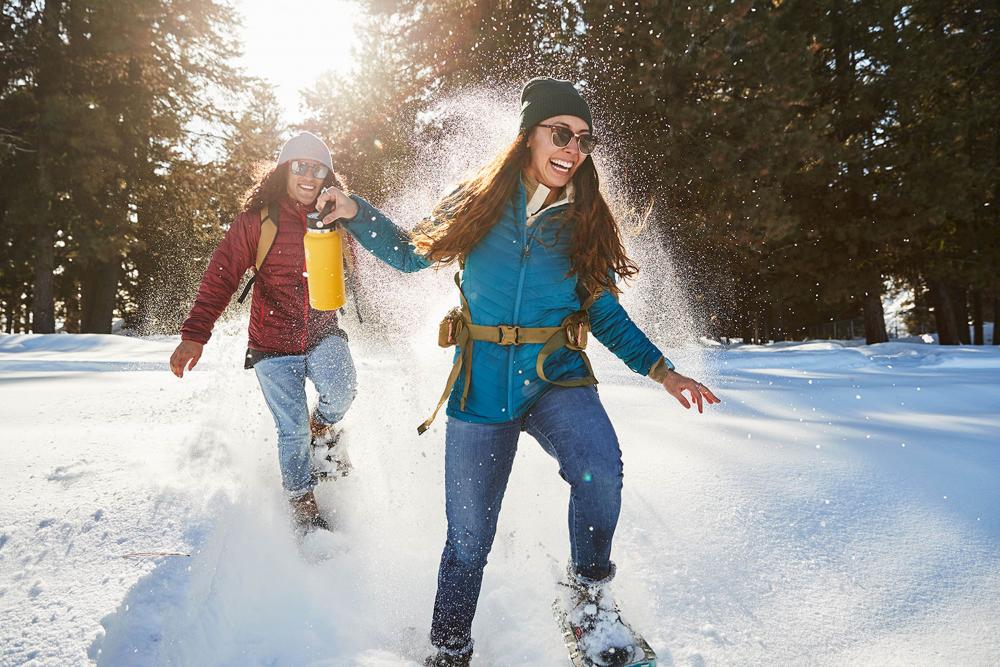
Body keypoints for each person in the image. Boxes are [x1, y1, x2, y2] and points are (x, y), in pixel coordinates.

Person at [316, 78, 720, 666]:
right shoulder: (479, 201)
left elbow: (604, 313)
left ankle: (588, 597)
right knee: (469, 540)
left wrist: (664, 372)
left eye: (584, 139)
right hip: (480, 387)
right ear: (529, 136)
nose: (573, 148)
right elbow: (409, 252)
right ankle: (450, 649)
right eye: (561, 133)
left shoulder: (584, 219)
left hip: (556, 375)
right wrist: (353, 211)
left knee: (599, 468)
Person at [169, 132, 357, 534]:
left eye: (317, 168)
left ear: (328, 174)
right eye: (300, 166)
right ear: (284, 171)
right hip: (272, 344)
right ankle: (303, 507)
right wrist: (194, 334)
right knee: (290, 428)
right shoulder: (257, 221)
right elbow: (220, 276)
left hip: (323, 330)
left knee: (341, 390)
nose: (309, 175)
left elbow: (353, 269)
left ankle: (322, 429)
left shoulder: (334, 214)